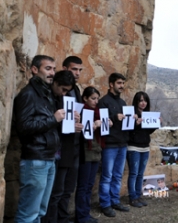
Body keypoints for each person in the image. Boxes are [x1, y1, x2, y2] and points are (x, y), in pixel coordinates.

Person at [12, 55, 65, 223]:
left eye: (54, 69)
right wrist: (53, 119)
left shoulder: (45, 94)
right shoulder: (28, 94)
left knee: (40, 211)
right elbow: (24, 127)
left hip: (48, 158)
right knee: (28, 214)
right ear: (34, 70)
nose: (52, 73)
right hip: (35, 160)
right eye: (48, 68)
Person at [44, 58, 84, 223]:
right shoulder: (53, 92)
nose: (77, 73)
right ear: (64, 68)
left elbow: (73, 113)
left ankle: (63, 217)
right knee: (56, 190)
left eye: (80, 70)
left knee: (68, 188)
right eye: (74, 69)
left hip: (74, 145)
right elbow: (54, 119)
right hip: (60, 146)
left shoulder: (77, 90)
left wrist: (78, 119)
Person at [97, 73, 132, 217]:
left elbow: (125, 124)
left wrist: (131, 119)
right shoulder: (103, 102)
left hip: (122, 144)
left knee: (118, 175)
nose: (122, 86)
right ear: (111, 84)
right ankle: (105, 204)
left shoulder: (123, 103)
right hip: (110, 144)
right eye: (119, 83)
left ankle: (115, 201)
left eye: (123, 83)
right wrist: (113, 117)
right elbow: (101, 124)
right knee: (107, 176)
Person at [75, 86, 110, 223]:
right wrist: (92, 125)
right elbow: (80, 132)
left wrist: (107, 123)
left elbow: (103, 130)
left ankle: (85, 213)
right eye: (93, 98)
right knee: (83, 185)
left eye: (97, 98)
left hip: (96, 151)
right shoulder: (81, 112)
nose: (96, 101)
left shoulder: (99, 113)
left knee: (89, 185)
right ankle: (81, 216)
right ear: (85, 98)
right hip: (85, 151)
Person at [127, 91, 158, 208]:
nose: (143, 103)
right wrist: (135, 123)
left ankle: (139, 195)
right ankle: (132, 197)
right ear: (136, 102)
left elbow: (148, 131)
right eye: (140, 100)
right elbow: (128, 129)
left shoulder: (147, 115)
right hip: (133, 147)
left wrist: (156, 123)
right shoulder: (132, 114)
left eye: (145, 100)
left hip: (145, 147)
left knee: (140, 174)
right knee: (134, 173)